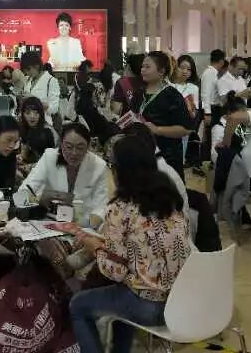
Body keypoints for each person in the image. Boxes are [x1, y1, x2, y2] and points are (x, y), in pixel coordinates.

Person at [69, 133, 191, 353]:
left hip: (147, 306)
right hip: (180, 301)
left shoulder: (121, 207)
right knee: (123, 296)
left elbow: (114, 272)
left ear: (119, 170)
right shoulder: (170, 199)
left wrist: (94, 246)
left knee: (78, 305)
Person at [17, 123, 109, 226]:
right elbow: (20, 197)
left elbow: (101, 208)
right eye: (69, 147)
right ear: (61, 144)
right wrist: (40, 198)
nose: (74, 153)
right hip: (49, 222)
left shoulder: (98, 166)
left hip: (83, 225)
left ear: (88, 146)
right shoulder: (50, 157)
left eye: (80, 148)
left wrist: (87, 223)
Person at [137, 52, 190, 177]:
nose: (143, 70)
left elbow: (184, 129)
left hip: (166, 157)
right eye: (142, 66)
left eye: (147, 67)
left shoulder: (172, 96)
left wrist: (157, 130)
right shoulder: (139, 92)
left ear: (161, 71)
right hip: (142, 154)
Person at [22, 51, 61, 127]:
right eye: (25, 70)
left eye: (29, 69)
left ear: (37, 66)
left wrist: (33, 99)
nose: (27, 73)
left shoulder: (51, 81)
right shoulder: (28, 80)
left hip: (44, 123)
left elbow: (54, 108)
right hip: (28, 123)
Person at [18, 96, 57, 165]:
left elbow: (51, 159)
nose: (32, 116)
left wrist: (30, 166)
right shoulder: (24, 128)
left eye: (36, 113)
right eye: (28, 113)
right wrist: (20, 158)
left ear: (41, 114)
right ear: (23, 114)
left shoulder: (47, 131)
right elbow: (24, 154)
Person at [200, 49, 226, 127]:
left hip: (216, 108)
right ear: (221, 61)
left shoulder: (215, 72)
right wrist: (207, 113)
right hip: (211, 109)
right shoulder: (209, 73)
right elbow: (205, 94)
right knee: (211, 131)